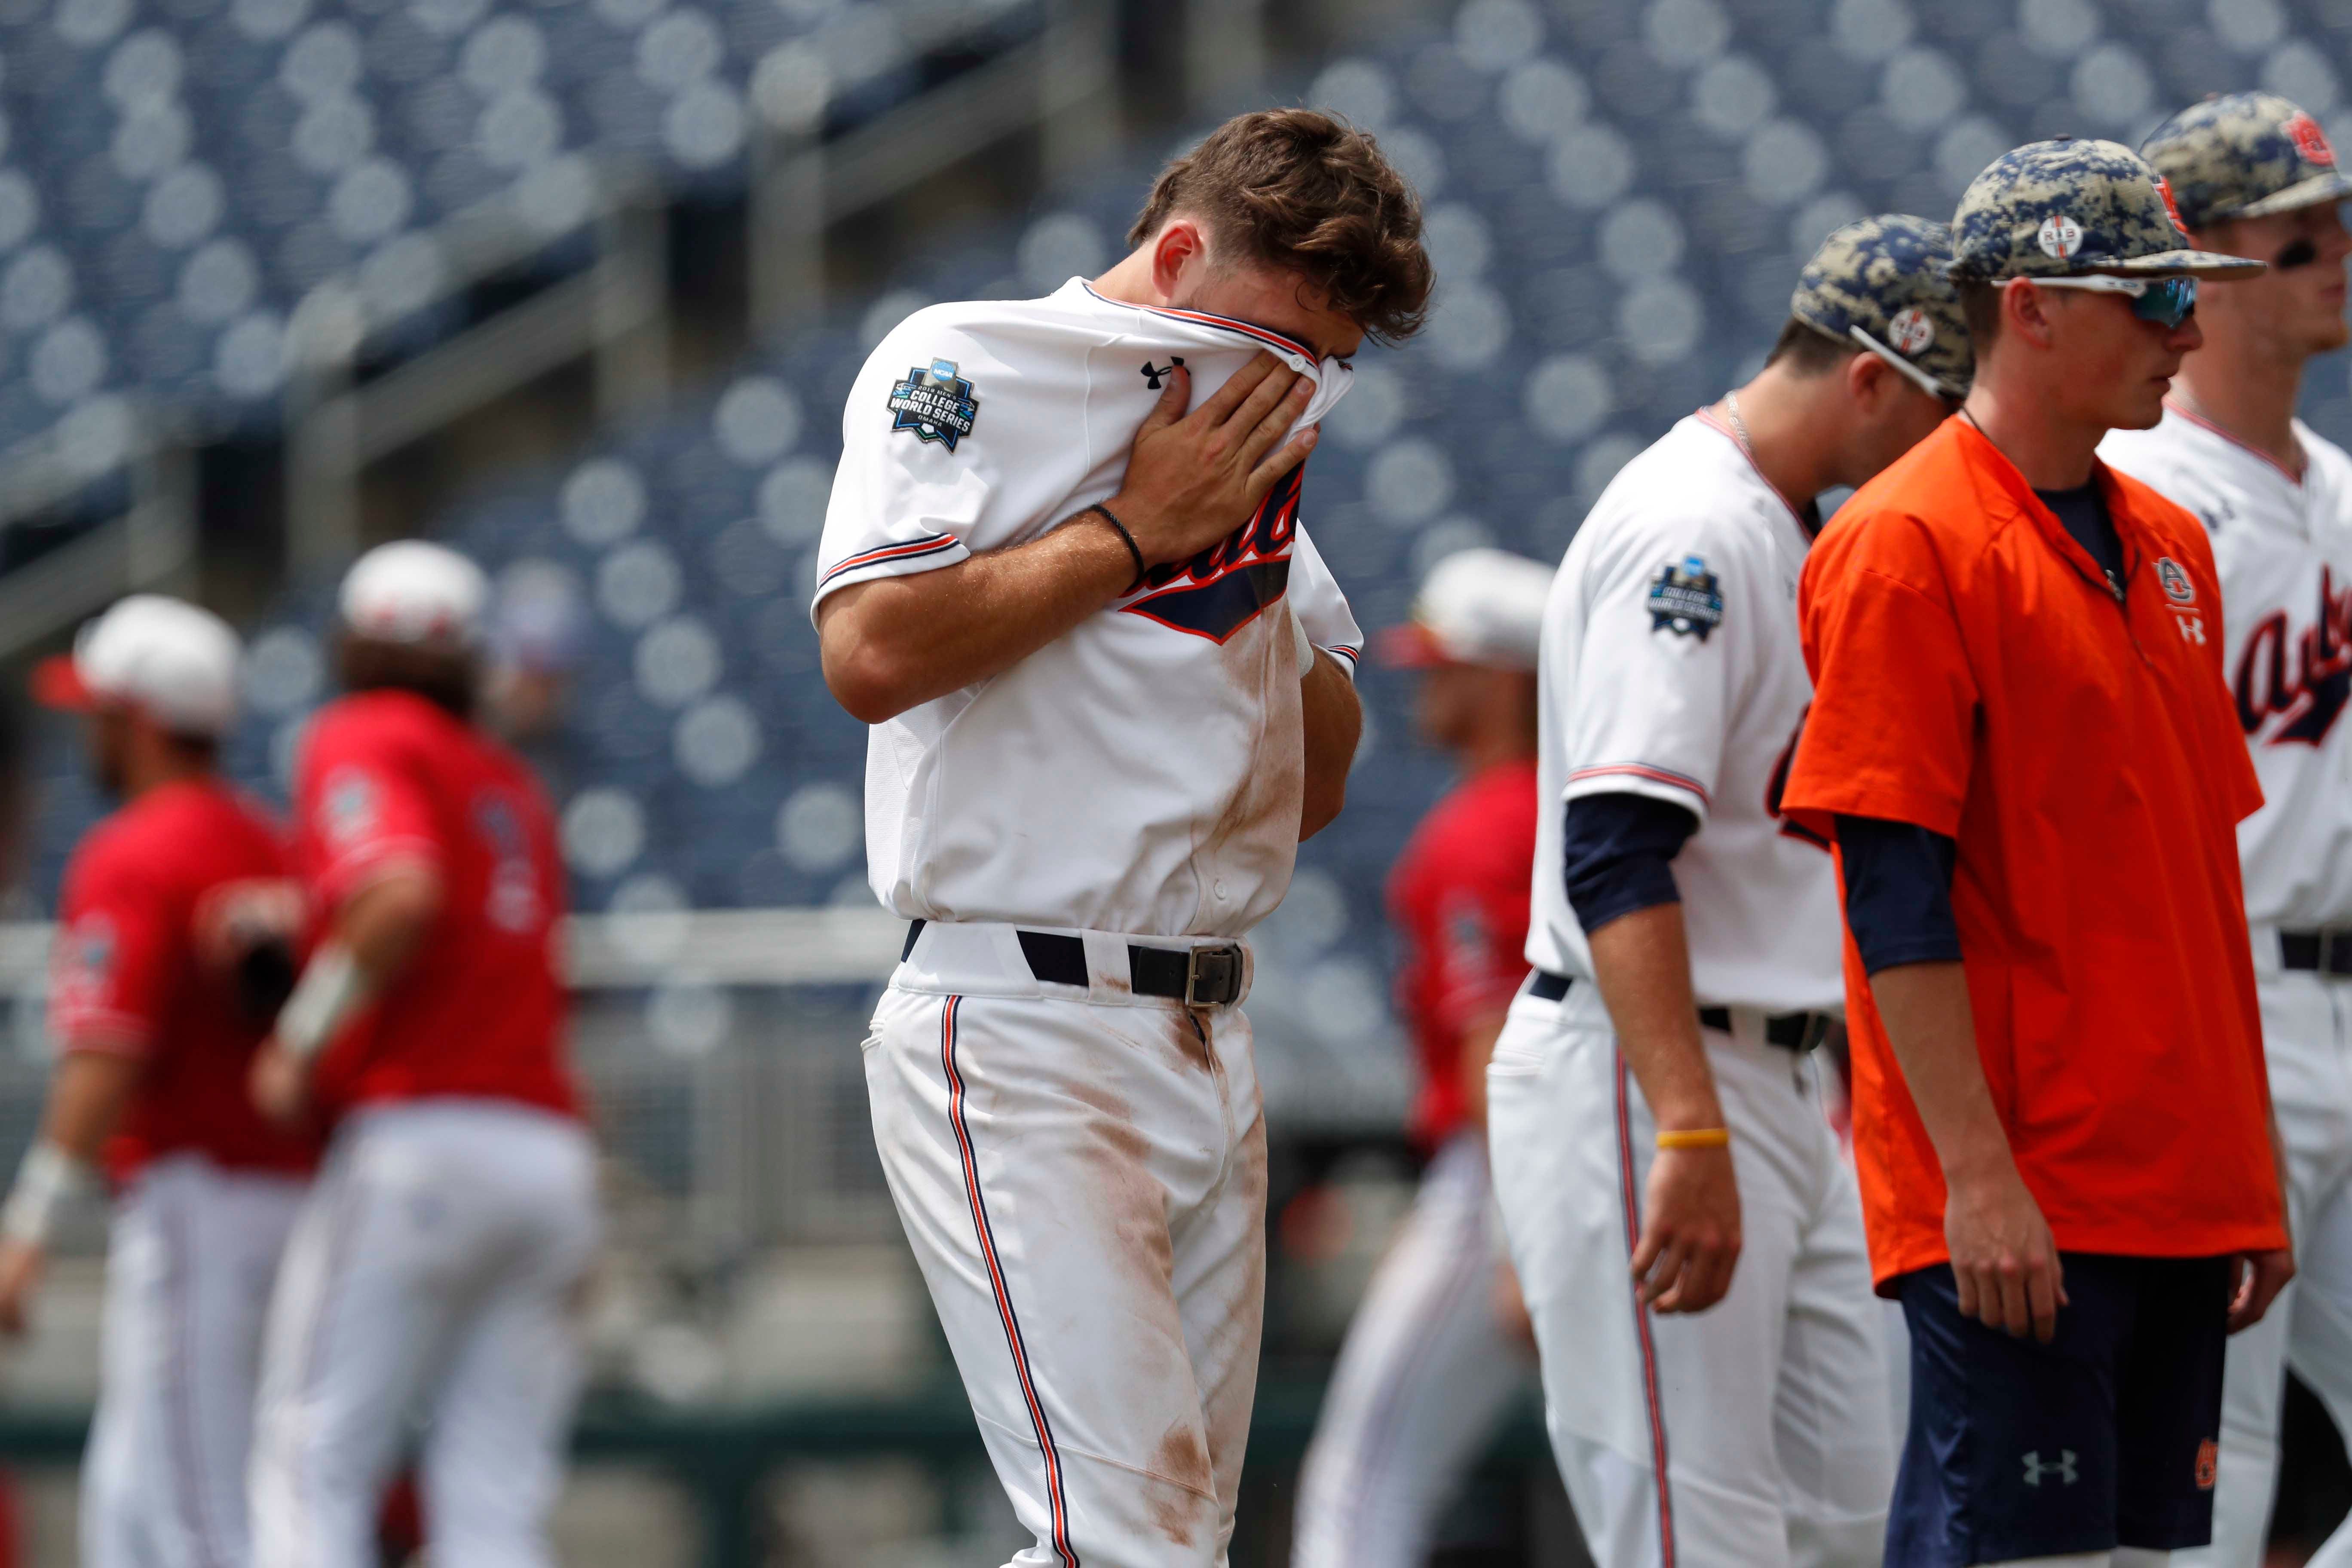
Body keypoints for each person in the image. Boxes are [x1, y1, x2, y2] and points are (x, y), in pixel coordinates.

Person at [813, 108, 1429, 1564]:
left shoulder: (1242, 453)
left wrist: (1258, 569)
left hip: (1208, 1024)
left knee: (1169, 1541)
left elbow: (1320, 782)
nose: (1298, 382)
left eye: (1327, 362)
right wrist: (1136, 537)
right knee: (1131, 1542)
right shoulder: (966, 361)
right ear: (1177, 254)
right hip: (1023, 1011)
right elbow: (870, 649)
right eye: (1283, 337)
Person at [1782, 139, 2291, 1568]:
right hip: (2021, 1189)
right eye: (2152, 297)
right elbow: (1892, 884)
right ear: (2031, 305)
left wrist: (2241, 1165)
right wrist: (1975, 1176)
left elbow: (2196, 880)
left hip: (2174, 1174)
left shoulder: (2174, 542)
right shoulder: (1902, 539)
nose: (2188, 333)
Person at [1485, 213, 1971, 1568]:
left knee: (1848, 1525)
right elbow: (1618, 845)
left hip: (1771, 1074)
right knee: (1697, 1536)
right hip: (1652, 1071)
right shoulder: (1692, 530)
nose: (1953, 450)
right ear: (1873, 378)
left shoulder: (1785, 525)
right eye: (1944, 407)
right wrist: (1687, 1129)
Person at [2096, 94, 2352, 1568]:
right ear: (2199, 260)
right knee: (2216, 1459)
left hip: (2339, 988)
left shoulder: (2336, 497)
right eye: (2297, 231)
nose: (2335, 254)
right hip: (2219, 994)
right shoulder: (2141, 498)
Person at [245, 540, 596, 1568]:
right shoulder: (511, 780)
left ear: (354, 642)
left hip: (422, 1135)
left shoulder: (362, 731)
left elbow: (400, 892)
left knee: (313, 1456)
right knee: (494, 1496)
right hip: (547, 1155)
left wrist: (301, 1038)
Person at [0, 596, 312, 1568]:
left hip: (199, 1201)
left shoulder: (135, 849)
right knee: (135, 1501)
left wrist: (28, 1226)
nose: (84, 733)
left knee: (195, 1516)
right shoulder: (270, 841)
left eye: (95, 711)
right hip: (289, 1199)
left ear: (133, 719)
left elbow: (107, 1052)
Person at [1291, 547, 1550, 1568]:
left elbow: (1495, 1048)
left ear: (1503, 678)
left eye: (1446, 666)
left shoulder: (1483, 827)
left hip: (1501, 1180)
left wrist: (1521, 1239)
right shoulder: (1576, 808)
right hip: (1599, 1160)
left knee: (1362, 1481)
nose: (1425, 685)